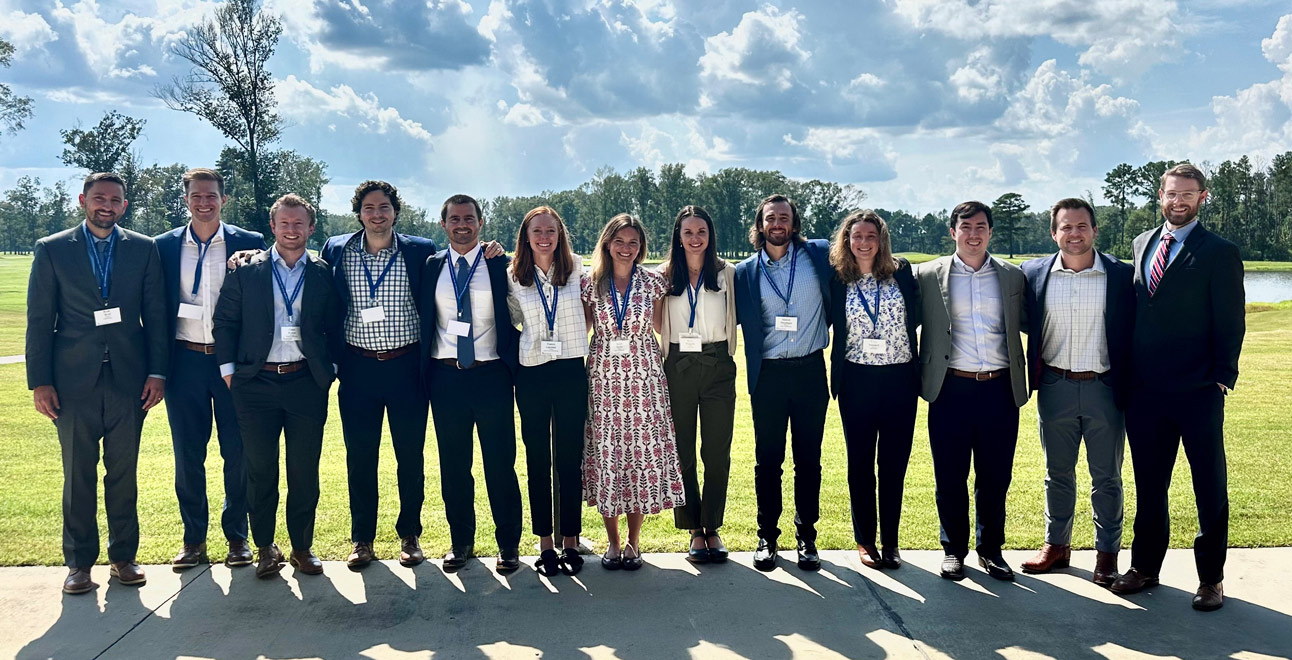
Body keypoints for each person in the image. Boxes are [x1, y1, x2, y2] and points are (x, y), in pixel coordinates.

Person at [1111, 163, 1245, 611]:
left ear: (1202, 197)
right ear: (1161, 195)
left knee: (1209, 485)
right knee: (1150, 485)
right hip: (1145, 393)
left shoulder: (1219, 251)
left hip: (1198, 391)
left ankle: (1211, 579)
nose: (1178, 201)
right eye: (1171, 193)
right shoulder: (1142, 243)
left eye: (1188, 194)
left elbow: (1231, 318)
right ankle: (1146, 567)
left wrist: (1223, 375)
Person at [27, 172, 168, 594]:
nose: (107, 205)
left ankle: (123, 557)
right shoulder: (52, 250)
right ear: (83, 201)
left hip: (129, 381)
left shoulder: (143, 249)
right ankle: (79, 564)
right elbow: (39, 320)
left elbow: (156, 317)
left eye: (115, 199)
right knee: (78, 475)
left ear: (125, 205)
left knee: (123, 474)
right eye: (99, 198)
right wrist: (41, 382)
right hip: (72, 384)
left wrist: (157, 373)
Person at [213, 193, 340, 579]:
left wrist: (329, 368)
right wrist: (230, 372)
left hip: (305, 382)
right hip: (255, 384)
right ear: (273, 227)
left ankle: (302, 547)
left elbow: (335, 323)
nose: (291, 230)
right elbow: (225, 322)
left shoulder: (322, 272)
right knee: (260, 469)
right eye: (284, 223)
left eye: (299, 223)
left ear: (311, 228)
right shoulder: (247, 270)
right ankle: (266, 547)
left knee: (304, 470)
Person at [320, 181, 436, 570]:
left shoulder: (420, 251)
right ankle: (362, 539)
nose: (377, 214)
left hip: (406, 366)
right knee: (360, 458)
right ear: (359, 212)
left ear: (395, 211)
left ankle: (410, 534)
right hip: (358, 368)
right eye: (369, 208)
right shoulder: (337, 249)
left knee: (410, 457)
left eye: (384, 207)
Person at [155, 168, 266, 571]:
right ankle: (193, 539)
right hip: (184, 360)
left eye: (212, 196)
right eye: (196, 196)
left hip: (231, 363)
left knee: (237, 452)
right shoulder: (163, 246)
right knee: (188, 454)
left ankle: (237, 537)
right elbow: (155, 310)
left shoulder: (249, 243)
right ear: (185, 200)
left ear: (224, 199)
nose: (204, 202)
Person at [1019, 198, 1135, 587]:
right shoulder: (1034, 273)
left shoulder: (1121, 275)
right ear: (1053, 233)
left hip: (1105, 386)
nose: (1074, 234)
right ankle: (1057, 546)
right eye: (1066, 227)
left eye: (1082, 226)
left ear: (1094, 230)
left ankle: (1107, 555)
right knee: (1057, 474)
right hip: (1055, 386)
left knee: (1107, 477)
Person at [914, 200, 1029, 582]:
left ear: (990, 232)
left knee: (995, 475)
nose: (974, 234)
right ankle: (953, 550)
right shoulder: (928, 275)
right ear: (953, 232)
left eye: (981, 226)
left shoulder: (1013, 277)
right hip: (950, 388)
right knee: (950, 474)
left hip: (999, 388)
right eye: (966, 227)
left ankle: (991, 550)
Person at [418, 194, 523, 574]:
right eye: (454, 219)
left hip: (491, 375)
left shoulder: (499, 264)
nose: (462, 225)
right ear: (443, 224)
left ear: (481, 222)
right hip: (445, 377)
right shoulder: (430, 266)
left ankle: (508, 544)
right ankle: (460, 541)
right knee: (454, 465)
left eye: (469, 218)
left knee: (500, 464)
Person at [733, 194, 832, 572]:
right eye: (770, 218)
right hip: (769, 375)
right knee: (767, 461)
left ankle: (807, 537)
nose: (778, 224)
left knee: (809, 460)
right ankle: (767, 537)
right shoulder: (745, 271)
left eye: (784, 218)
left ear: (794, 223)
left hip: (810, 371)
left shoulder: (819, 256)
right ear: (759, 225)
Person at [582, 213, 684, 571]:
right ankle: (611, 542)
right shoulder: (590, 284)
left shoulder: (653, 283)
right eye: (620, 241)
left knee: (639, 458)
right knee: (609, 458)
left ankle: (633, 543)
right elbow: (582, 330)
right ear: (607, 244)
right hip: (604, 381)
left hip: (644, 380)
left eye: (634, 243)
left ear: (641, 248)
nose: (626, 249)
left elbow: (660, 325)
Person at [827, 210, 921, 571]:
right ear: (846, 241)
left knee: (894, 464)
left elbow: (919, 314)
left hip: (900, 380)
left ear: (881, 240)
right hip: (857, 380)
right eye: (856, 236)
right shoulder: (838, 280)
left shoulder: (902, 272)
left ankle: (891, 541)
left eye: (871, 236)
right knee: (861, 464)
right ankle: (865, 540)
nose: (863, 242)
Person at [506, 206, 590, 576]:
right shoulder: (512, 276)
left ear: (560, 235)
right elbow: (510, 321)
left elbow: (591, 313)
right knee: (537, 459)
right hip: (533, 373)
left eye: (551, 231)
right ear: (526, 236)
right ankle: (544, 544)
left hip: (571, 369)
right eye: (537, 231)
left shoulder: (578, 270)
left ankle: (570, 540)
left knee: (570, 457)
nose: (544, 237)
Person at [656, 205, 737, 564]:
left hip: (718, 362)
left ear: (710, 235)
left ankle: (713, 527)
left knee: (717, 451)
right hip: (679, 366)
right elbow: (658, 324)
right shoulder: (662, 276)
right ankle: (693, 529)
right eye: (687, 232)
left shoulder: (727, 273)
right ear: (678, 236)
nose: (695, 238)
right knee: (683, 450)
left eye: (701, 231)